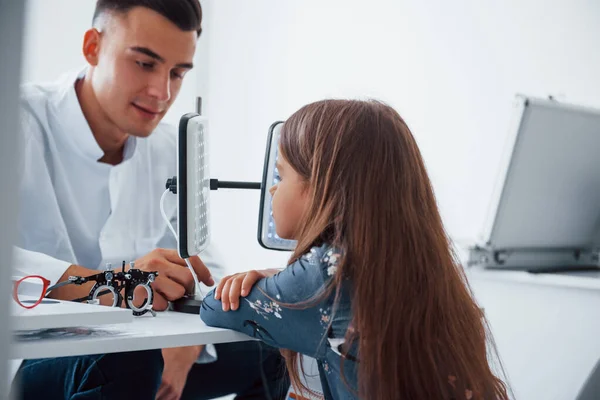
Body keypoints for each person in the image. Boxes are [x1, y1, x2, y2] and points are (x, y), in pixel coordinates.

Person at [11, 0, 288, 399]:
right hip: (38, 355)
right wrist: (107, 285)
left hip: (148, 352)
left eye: (177, 73)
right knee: (128, 355)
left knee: (277, 351)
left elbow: (203, 263)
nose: (162, 92)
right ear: (92, 47)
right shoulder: (16, 121)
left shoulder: (168, 146)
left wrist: (186, 346)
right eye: (144, 63)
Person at [201, 99, 511, 399]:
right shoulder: (423, 266)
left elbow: (214, 309)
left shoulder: (327, 274)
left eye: (281, 175)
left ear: (321, 187)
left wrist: (279, 279)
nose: (272, 188)